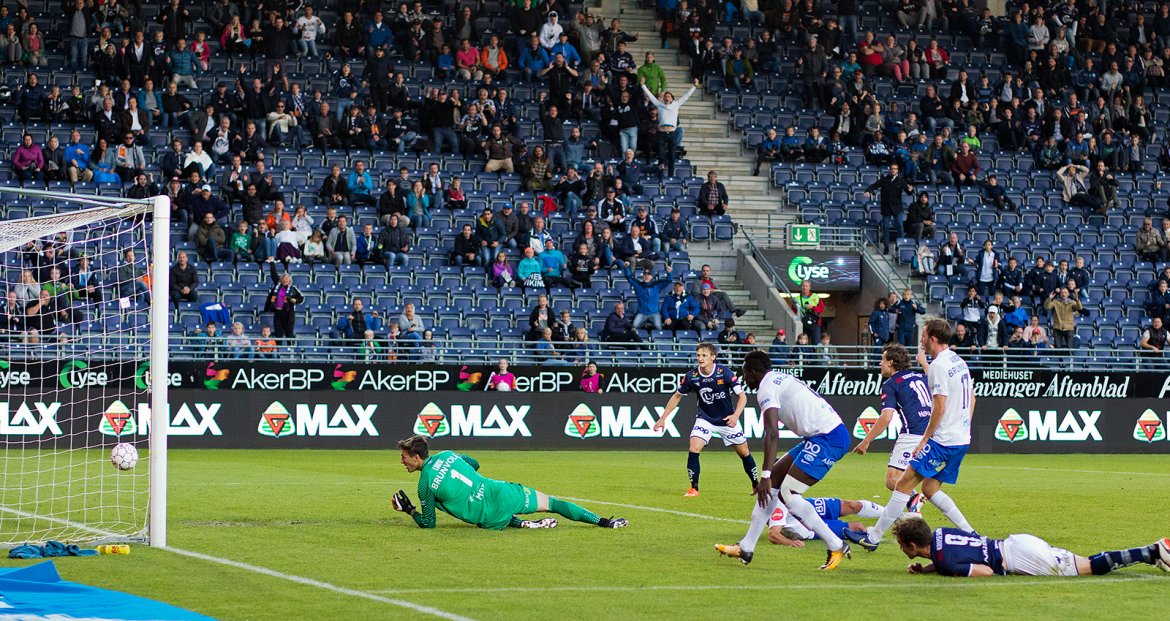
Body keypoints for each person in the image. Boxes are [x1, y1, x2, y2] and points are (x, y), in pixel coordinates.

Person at [844, 318, 976, 552]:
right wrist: (965, 427)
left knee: (901, 484)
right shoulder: (957, 361)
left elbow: (939, 408)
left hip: (941, 440)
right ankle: (971, 534)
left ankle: (873, 537)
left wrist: (925, 440)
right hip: (961, 439)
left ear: (932, 339)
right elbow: (972, 397)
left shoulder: (937, 366)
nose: (921, 339)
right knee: (929, 489)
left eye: (923, 335)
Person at [714, 351, 853, 570]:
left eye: (745, 373)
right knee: (772, 485)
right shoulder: (777, 378)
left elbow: (772, 432)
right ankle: (746, 547)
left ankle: (836, 545)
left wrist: (765, 474)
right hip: (818, 437)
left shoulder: (766, 388)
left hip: (829, 438)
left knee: (789, 494)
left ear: (752, 372)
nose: (744, 379)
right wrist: (768, 477)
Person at [392, 435, 627, 530]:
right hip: (500, 491)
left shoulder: (424, 483)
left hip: (487, 518)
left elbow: (429, 524)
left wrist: (410, 510)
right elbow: (475, 463)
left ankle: (521, 524)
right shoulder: (448, 454)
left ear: (416, 457)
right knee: (553, 503)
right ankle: (604, 522)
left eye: (404, 457)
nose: (402, 461)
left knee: (477, 511)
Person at [892, 516, 1170, 578]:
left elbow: (985, 572)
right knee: (1082, 561)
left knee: (1088, 567)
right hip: (1016, 542)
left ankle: (1153, 551)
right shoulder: (941, 533)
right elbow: (951, 554)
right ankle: (1152, 557)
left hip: (1021, 558)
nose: (901, 548)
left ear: (913, 544)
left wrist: (945, 571)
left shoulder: (944, 562)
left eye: (902, 545)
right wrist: (927, 569)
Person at [654, 342, 754, 497]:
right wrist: (663, 418)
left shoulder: (725, 373)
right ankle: (694, 488)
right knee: (694, 448)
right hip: (705, 419)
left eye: (704, 355)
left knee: (744, 453)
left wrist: (735, 416)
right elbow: (677, 396)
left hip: (727, 420)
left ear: (713, 357)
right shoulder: (692, 376)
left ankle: (756, 485)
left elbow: (742, 396)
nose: (700, 358)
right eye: (698, 355)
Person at [853, 344, 933, 503]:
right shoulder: (923, 377)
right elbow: (937, 383)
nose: (880, 363)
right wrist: (924, 363)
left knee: (892, 480)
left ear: (890, 362)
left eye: (882, 359)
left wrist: (866, 441)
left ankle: (914, 498)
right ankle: (914, 507)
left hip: (912, 434)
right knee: (920, 481)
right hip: (932, 434)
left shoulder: (891, 383)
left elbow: (886, 417)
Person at [864, 162, 914, 254]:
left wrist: (911, 190)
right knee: (885, 227)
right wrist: (868, 191)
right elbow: (873, 186)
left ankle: (900, 245)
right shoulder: (884, 180)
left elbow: (908, 192)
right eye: (892, 168)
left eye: (895, 169)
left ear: (897, 170)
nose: (893, 170)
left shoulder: (901, 181)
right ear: (890, 170)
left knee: (900, 226)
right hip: (886, 207)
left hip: (897, 207)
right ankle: (886, 247)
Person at [625, 264, 672, 332]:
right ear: (642, 276)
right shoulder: (638, 285)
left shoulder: (657, 285)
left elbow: (668, 281)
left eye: (648, 275)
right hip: (642, 313)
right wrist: (626, 267)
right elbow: (628, 277)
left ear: (652, 277)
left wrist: (669, 272)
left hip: (654, 313)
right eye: (645, 274)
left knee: (659, 328)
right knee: (634, 327)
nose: (646, 276)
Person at [265, 267, 303, 343]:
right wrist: (272, 263)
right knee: (278, 335)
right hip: (278, 314)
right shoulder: (277, 287)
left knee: (289, 335)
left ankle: (290, 349)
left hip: (288, 315)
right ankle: (278, 349)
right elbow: (274, 275)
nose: (285, 280)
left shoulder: (293, 289)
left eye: (287, 279)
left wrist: (295, 300)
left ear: (290, 280)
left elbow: (301, 298)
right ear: (281, 280)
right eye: (284, 278)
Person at [793, 280, 824, 344]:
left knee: (816, 343)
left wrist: (812, 307)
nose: (804, 287)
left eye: (806, 286)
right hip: (804, 323)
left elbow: (821, 309)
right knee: (803, 342)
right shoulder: (796, 298)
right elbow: (793, 311)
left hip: (815, 323)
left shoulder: (815, 296)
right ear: (801, 287)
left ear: (810, 287)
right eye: (803, 286)